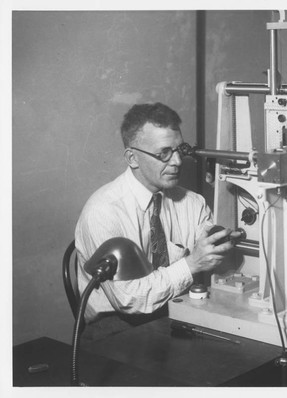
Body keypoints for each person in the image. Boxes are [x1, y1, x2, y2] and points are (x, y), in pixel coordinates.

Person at [75, 102, 240, 342]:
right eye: (163, 153)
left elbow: (204, 235)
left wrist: (217, 239)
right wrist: (192, 263)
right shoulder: (103, 212)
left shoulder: (192, 202)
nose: (177, 162)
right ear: (132, 158)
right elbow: (129, 300)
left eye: (179, 150)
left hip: (174, 313)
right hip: (116, 327)